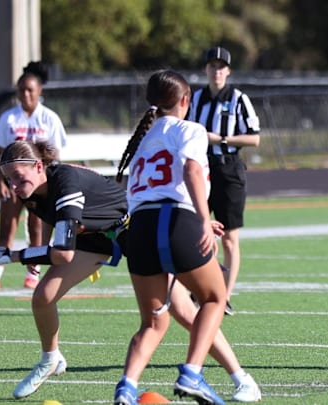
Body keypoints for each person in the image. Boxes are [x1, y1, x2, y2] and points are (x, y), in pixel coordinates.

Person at [113, 69, 228, 405]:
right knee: (213, 299)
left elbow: (141, 195)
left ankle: (126, 387)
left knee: (152, 323)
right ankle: (192, 373)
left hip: (142, 228)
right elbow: (191, 170)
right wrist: (204, 220)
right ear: (184, 100)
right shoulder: (190, 128)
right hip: (177, 219)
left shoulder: (142, 140)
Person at [0, 140, 129, 399]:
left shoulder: (65, 183)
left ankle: (222, 371)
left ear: (39, 166)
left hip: (133, 231)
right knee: (43, 297)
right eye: (9, 180)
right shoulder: (32, 191)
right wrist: (38, 251)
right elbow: (51, 221)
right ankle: (50, 358)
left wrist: (13, 256)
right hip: (95, 239)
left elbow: (63, 253)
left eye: (18, 178)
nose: (14, 187)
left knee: (178, 309)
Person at [0, 61, 67, 291]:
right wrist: (0, 180)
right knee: (6, 228)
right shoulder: (9, 118)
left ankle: (33, 274)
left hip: (38, 185)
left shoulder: (49, 118)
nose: (25, 94)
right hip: (13, 182)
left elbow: (55, 155)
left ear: (39, 91)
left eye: (29, 90)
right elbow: (1, 152)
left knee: (37, 228)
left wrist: (51, 184)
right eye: (21, 90)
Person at [187, 46, 261, 314]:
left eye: (221, 67)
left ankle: (224, 296)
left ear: (228, 71)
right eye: (212, 66)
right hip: (201, 168)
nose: (216, 71)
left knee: (229, 237)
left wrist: (222, 139)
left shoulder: (239, 99)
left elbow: (254, 137)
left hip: (228, 169)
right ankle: (201, 289)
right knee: (198, 231)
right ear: (205, 69)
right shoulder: (195, 99)